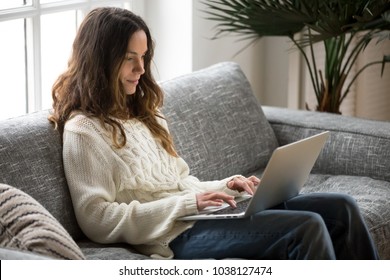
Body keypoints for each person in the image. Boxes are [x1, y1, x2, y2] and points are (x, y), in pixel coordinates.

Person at [49, 7, 379, 260]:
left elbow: (181, 183)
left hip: (200, 216)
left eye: (144, 57)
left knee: (342, 209)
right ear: (100, 62)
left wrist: (227, 188)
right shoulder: (84, 131)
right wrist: (185, 203)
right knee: (305, 228)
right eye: (129, 59)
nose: (141, 69)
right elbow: (96, 218)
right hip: (172, 236)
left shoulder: (146, 113)